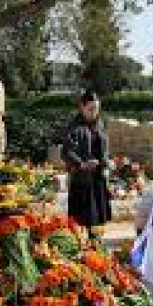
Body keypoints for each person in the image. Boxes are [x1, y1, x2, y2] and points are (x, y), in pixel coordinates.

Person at [61, 91, 111, 235]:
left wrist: (107, 162)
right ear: (82, 107)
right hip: (82, 180)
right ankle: (84, 246)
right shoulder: (74, 127)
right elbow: (66, 152)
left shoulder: (100, 124)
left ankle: (95, 245)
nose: (94, 112)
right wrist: (82, 164)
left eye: (97, 108)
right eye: (91, 109)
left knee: (98, 220)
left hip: (98, 178)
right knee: (81, 221)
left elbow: (104, 147)